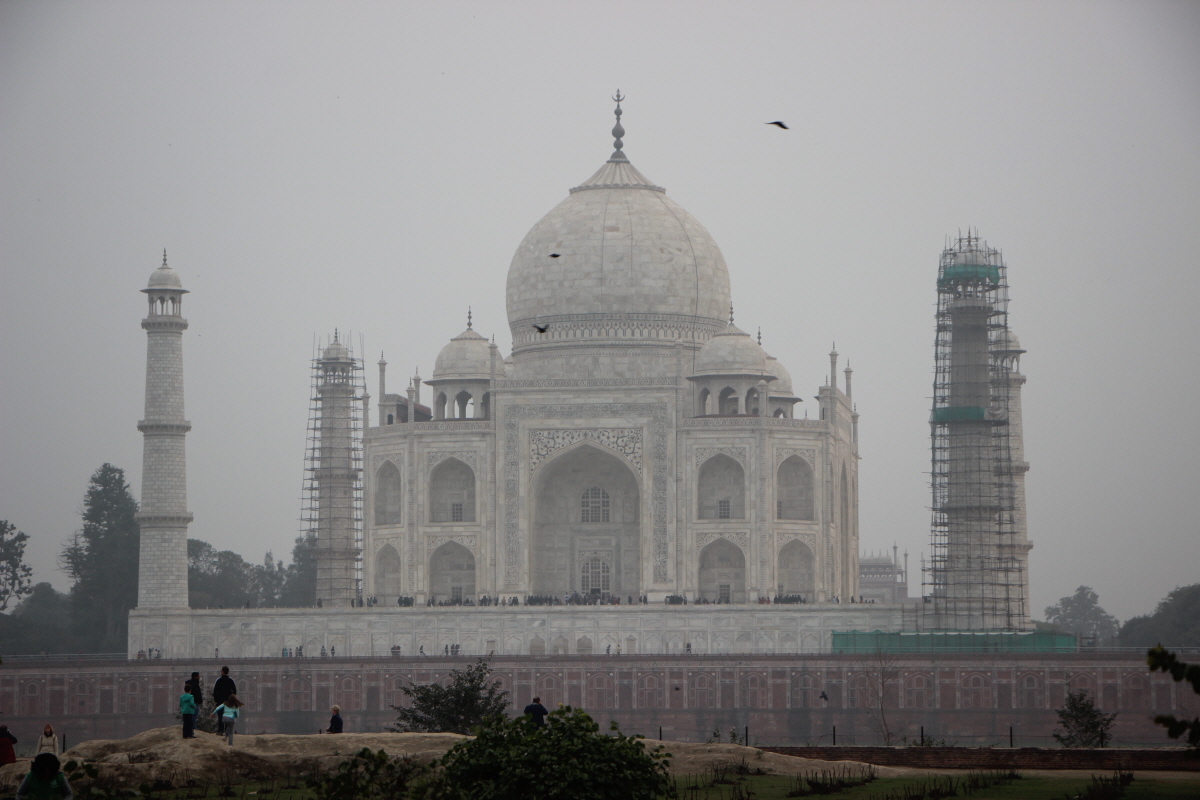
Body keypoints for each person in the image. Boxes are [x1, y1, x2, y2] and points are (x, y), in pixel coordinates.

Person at [212, 666, 236, 735]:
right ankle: (227, 732)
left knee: (220, 716)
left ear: (222, 671)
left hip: (220, 700)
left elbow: (215, 691)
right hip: (228, 701)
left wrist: (216, 700)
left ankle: (220, 730)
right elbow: (234, 691)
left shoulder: (219, 680)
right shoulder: (231, 680)